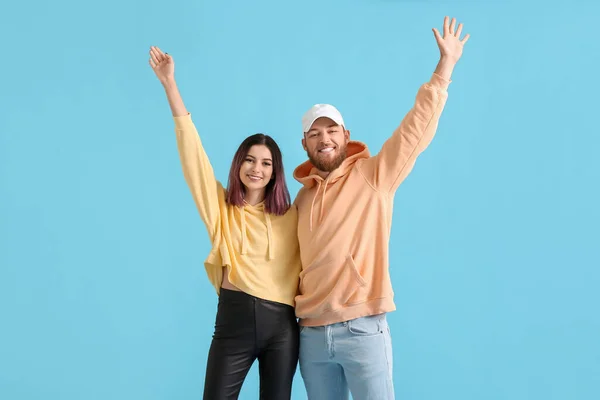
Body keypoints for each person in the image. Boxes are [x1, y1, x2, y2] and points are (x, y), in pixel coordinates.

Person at [292, 16, 470, 399]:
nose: (324, 139)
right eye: (315, 134)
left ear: (346, 136)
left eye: (332, 130)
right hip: (309, 336)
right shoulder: (301, 200)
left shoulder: (374, 175)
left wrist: (444, 69)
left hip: (362, 329)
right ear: (305, 145)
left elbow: (414, 131)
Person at [148, 46, 302, 400]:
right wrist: (170, 84)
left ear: (275, 171)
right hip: (234, 319)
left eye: (266, 163)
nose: (256, 169)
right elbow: (194, 159)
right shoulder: (221, 209)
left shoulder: (292, 215)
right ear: (238, 165)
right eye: (249, 160)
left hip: (283, 325)